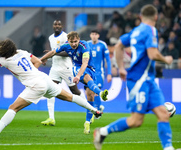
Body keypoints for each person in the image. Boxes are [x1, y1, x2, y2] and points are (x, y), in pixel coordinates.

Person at [0, 24, 103, 140]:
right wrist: (32, 71)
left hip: (36, 85)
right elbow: (38, 61)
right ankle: (94, 110)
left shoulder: (6, 61)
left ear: (4, 52)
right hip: (43, 78)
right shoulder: (21, 52)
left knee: (13, 108)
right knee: (70, 97)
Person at [93, 5, 180, 150]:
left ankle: (168, 148)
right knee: (136, 121)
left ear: (140, 17)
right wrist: (167, 59)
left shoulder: (135, 31)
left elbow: (119, 45)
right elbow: (152, 54)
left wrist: (121, 67)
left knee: (163, 114)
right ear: (156, 17)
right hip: (139, 80)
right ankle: (102, 132)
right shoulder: (151, 30)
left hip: (148, 79)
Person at [40, 31, 109, 134]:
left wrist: (77, 76)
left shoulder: (84, 46)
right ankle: (101, 93)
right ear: (68, 41)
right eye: (71, 42)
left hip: (89, 68)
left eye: (75, 41)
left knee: (90, 95)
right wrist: (42, 59)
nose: (73, 44)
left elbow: (85, 63)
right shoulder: (66, 46)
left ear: (79, 40)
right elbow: (53, 52)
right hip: (77, 68)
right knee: (86, 77)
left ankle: (87, 122)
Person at [41, 20, 86, 126]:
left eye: (59, 25)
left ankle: (90, 110)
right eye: (55, 24)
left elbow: (69, 52)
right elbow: (53, 51)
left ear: (62, 26)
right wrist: (47, 57)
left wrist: (54, 54)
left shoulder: (66, 37)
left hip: (66, 68)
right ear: (53, 26)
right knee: (49, 90)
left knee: (75, 91)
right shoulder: (51, 37)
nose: (57, 26)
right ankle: (51, 118)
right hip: (55, 68)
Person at [87, 29, 112, 123]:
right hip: (89, 72)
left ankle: (97, 110)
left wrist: (109, 73)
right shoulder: (87, 44)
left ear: (98, 36)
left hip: (99, 73)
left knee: (96, 91)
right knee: (90, 92)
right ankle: (98, 107)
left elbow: (108, 60)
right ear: (90, 35)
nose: (94, 36)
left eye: (95, 34)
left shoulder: (102, 45)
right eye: (92, 34)